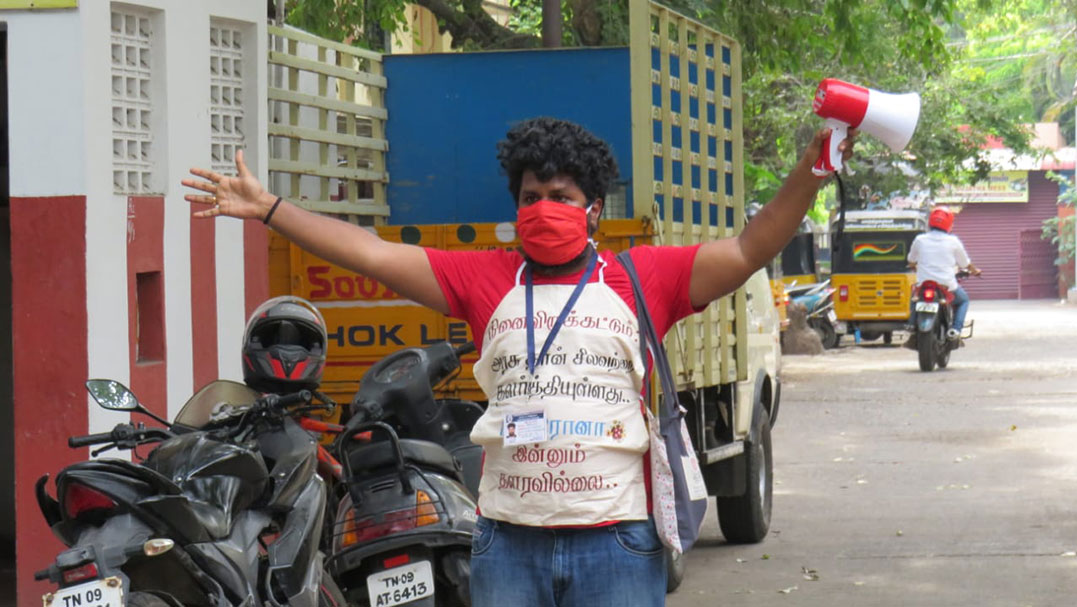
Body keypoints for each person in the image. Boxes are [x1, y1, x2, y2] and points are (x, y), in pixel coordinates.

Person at [183, 116, 854, 607]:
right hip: (507, 543)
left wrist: (813, 167)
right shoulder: (486, 281)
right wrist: (269, 209)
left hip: (616, 543)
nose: (543, 208)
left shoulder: (641, 277)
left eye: (561, 197)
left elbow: (749, 247)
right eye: (530, 196)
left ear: (593, 209)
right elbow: (369, 252)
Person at [907, 206, 981, 339]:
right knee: (963, 300)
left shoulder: (920, 240)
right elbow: (964, 264)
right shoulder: (953, 241)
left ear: (930, 222)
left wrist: (913, 265)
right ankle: (955, 330)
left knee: (914, 295)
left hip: (924, 284)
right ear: (949, 224)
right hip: (947, 285)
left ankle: (912, 323)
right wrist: (975, 271)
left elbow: (911, 259)